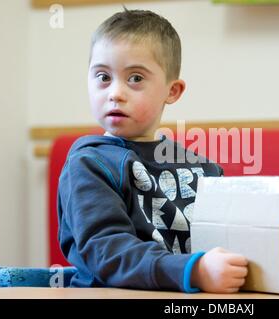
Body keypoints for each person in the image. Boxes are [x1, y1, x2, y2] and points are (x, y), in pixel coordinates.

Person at [57, 8, 248, 293]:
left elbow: (229, 242)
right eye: (103, 77)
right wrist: (192, 270)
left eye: (135, 78)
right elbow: (108, 252)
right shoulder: (88, 164)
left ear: (172, 91)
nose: (115, 93)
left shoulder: (204, 169)